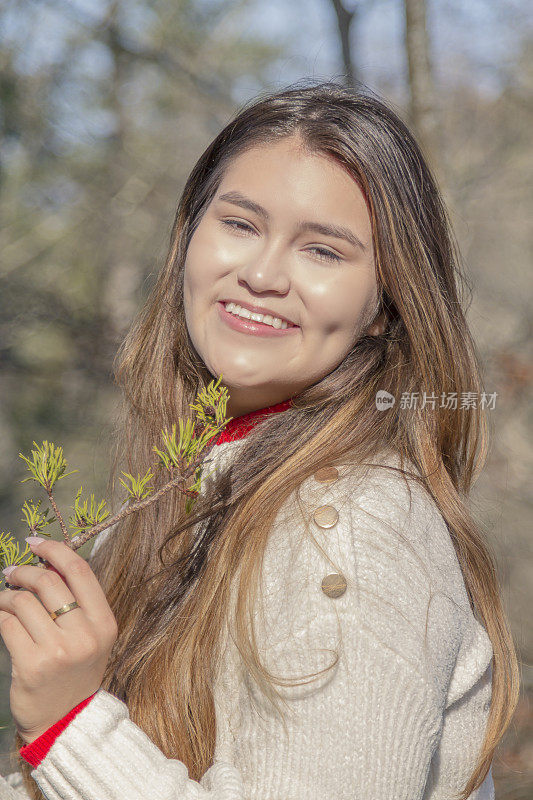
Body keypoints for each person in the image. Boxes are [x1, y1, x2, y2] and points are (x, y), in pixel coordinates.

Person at [0, 80, 520, 800]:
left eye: (323, 251)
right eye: (241, 225)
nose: (262, 274)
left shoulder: (355, 531)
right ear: (190, 236)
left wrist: (73, 728)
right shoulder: (192, 482)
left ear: (384, 306)